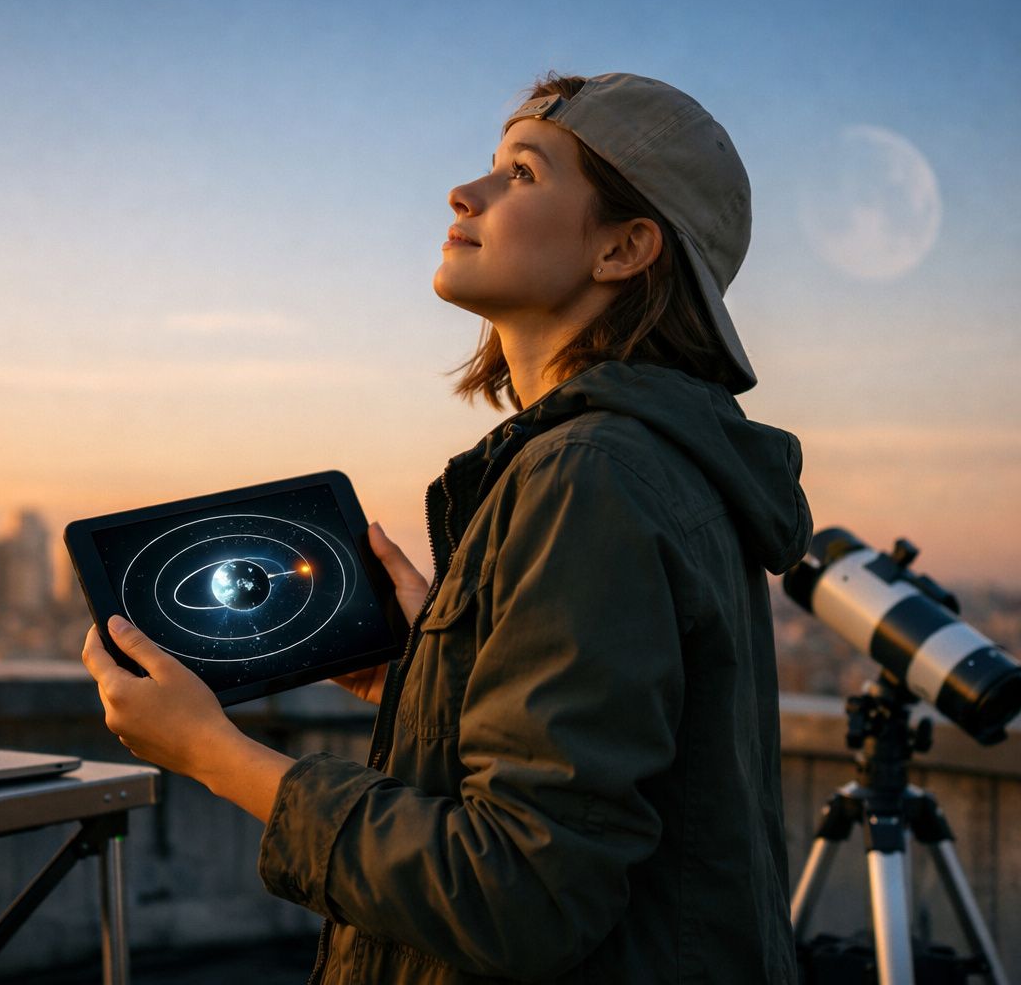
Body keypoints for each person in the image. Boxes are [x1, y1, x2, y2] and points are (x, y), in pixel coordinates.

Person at [80, 72, 811, 984]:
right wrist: (426, 679)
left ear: (624, 248)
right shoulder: (640, 462)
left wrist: (214, 754)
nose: (466, 193)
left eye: (523, 173)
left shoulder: (592, 475)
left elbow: (521, 894)